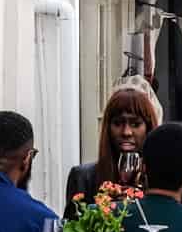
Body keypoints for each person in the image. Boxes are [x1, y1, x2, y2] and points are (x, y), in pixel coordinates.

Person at [64, 82, 160, 219]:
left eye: (135, 124)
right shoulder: (83, 177)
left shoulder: (160, 179)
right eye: (118, 123)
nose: (126, 132)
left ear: (148, 128)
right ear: (108, 128)